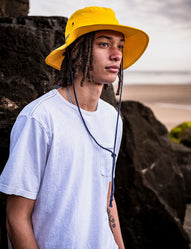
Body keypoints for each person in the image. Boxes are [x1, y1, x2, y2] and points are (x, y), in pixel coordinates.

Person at [0, 6, 149, 249]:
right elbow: (16, 218)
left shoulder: (113, 118)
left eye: (120, 45)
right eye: (104, 44)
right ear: (77, 53)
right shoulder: (40, 118)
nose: (117, 54)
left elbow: (108, 199)